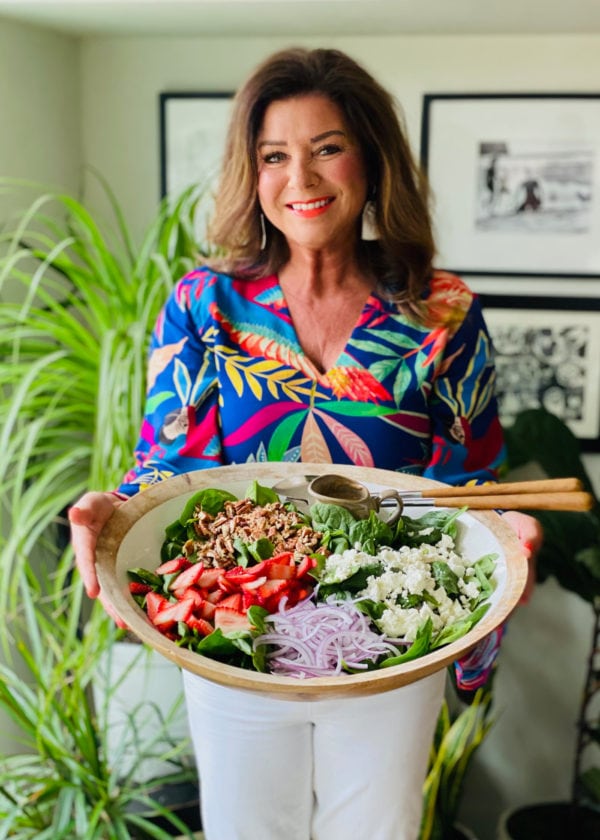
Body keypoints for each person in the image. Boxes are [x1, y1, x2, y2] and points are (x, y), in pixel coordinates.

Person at [69, 47, 542, 840]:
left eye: (327, 147)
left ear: (371, 158)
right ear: (252, 175)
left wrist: (508, 535)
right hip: (239, 643)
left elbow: (472, 486)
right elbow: (164, 466)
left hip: (387, 647)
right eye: (274, 156)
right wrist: (110, 510)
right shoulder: (205, 304)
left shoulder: (440, 310)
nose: (302, 179)